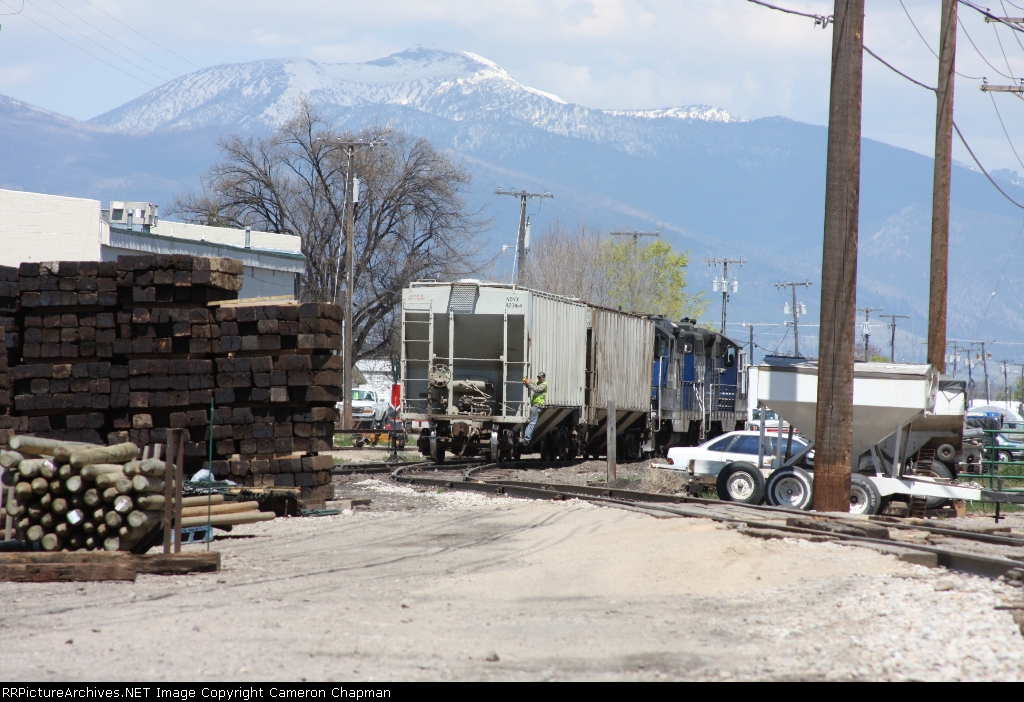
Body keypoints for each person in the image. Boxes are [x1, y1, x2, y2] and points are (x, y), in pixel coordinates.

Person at [522, 372, 548, 445]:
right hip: (535, 405)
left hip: (538, 405)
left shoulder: (544, 385)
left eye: (540, 377)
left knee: (532, 423)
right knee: (531, 423)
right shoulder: (537, 382)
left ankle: (526, 440)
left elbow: (536, 389)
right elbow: (532, 382)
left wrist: (528, 383)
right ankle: (526, 439)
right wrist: (526, 380)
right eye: (538, 377)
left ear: (544, 378)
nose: (539, 378)